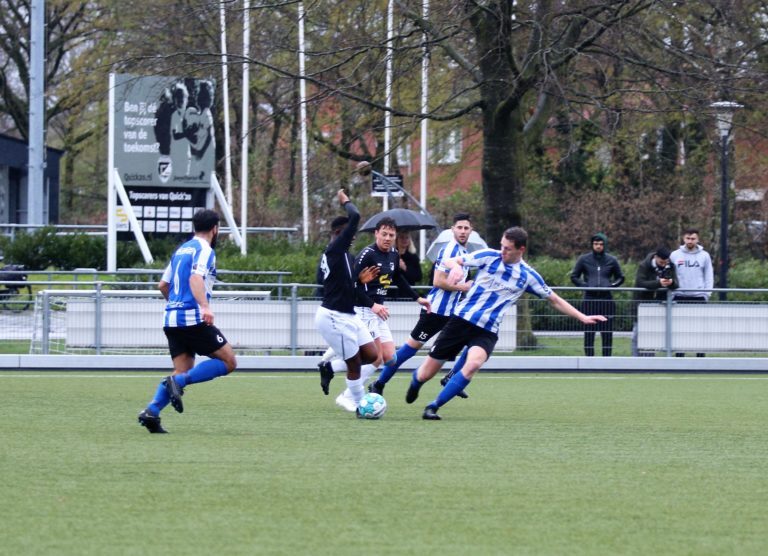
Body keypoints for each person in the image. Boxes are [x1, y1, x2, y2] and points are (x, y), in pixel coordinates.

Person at [405, 226, 607, 420]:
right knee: (425, 374)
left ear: (521, 249)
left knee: (473, 363)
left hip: (486, 330)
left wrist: (582, 317)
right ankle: (416, 382)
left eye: (507, 248)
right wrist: (456, 267)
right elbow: (451, 260)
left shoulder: (528, 276)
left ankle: (433, 406)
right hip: (461, 322)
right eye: (501, 245)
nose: (502, 251)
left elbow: (554, 299)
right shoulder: (489, 256)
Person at [137, 209, 237, 433]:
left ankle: (152, 411)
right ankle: (178, 384)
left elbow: (163, 285)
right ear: (215, 229)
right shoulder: (204, 250)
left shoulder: (181, 249)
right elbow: (195, 278)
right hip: (192, 319)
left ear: (194, 227)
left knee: (182, 370)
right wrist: (204, 306)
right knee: (229, 361)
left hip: (171, 319)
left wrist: (176, 304)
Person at [331, 217, 432, 411]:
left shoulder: (393, 253)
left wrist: (417, 298)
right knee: (375, 358)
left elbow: (398, 279)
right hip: (363, 309)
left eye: (391, 235)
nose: (387, 238)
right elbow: (353, 286)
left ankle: (335, 362)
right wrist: (372, 305)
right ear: (376, 233)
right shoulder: (366, 255)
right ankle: (348, 395)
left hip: (377, 312)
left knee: (390, 358)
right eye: (384, 234)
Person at [368, 212, 474, 396]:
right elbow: (438, 282)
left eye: (466, 228)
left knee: (475, 341)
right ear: (453, 230)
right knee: (409, 350)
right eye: (459, 227)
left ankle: (452, 377)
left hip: (453, 313)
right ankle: (379, 383)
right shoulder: (450, 251)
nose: (463, 231)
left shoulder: (465, 254)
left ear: (470, 230)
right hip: (435, 312)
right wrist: (463, 287)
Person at [315, 189, 384, 412]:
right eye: (349, 232)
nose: (353, 235)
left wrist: (357, 280)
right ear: (338, 233)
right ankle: (357, 403)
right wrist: (345, 201)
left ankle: (330, 368)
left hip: (349, 314)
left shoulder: (345, 256)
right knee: (354, 364)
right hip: (334, 316)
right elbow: (355, 216)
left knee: (373, 356)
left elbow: (339, 285)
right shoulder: (335, 250)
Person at [570, 232, 625, 356]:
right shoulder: (584, 259)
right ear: (592, 245)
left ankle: (606, 359)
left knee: (607, 332)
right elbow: (574, 276)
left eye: (601, 244)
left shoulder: (612, 260)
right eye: (595, 244)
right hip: (590, 299)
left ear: (605, 245)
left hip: (606, 299)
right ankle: (589, 359)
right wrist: (585, 286)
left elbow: (620, 277)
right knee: (589, 332)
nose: (598, 246)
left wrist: (612, 286)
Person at [670, 228, 713, 357]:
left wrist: (707, 294)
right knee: (680, 329)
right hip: (680, 296)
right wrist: (672, 293)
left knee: (699, 329)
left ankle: (700, 357)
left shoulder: (704, 256)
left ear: (697, 239)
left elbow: (709, 275)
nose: (690, 241)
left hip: (698, 296)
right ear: (684, 239)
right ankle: (679, 357)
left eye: (693, 238)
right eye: (688, 238)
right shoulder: (675, 255)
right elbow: (671, 275)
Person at [631, 246, 679, 356]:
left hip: (658, 306)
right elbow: (640, 283)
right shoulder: (644, 265)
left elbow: (677, 284)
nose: (663, 264)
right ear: (656, 257)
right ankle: (635, 360)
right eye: (661, 262)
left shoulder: (671, 266)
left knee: (652, 336)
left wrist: (670, 282)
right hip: (641, 304)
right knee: (637, 335)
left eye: (665, 262)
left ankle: (650, 361)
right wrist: (658, 283)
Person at [389, 230, 423, 299]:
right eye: (401, 237)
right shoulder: (390, 255)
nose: (404, 240)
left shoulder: (413, 257)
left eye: (407, 238)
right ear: (396, 239)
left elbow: (418, 277)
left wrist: (405, 268)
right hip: (392, 294)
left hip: (408, 294)